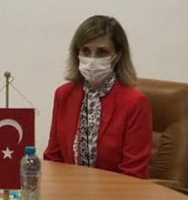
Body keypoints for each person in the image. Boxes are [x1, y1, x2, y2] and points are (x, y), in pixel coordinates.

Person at [44, 15, 152, 179]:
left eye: (102, 52)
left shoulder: (135, 102)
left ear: (117, 56)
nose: (92, 59)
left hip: (117, 191)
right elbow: (53, 158)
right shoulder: (64, 95)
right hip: (68, 189)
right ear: (77, 53)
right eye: (85, 51)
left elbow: (133, 173)